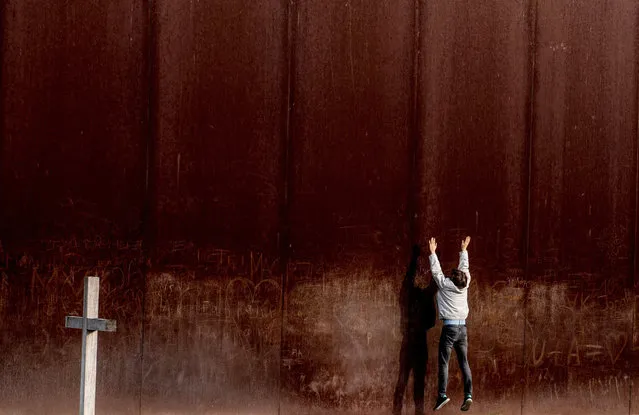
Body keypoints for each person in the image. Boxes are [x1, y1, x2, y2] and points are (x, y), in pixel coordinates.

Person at [428, 236, 473, 412]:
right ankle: (468, 394)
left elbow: (436, 272)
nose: (451, 275)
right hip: (463, 328)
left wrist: (432, 253)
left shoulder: (445, 284)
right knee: (464, 362)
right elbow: (464, 268)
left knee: (444, 362)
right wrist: (463, 251)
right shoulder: (466, 281)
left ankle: (442, 395)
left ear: (452, 280)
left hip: (450, 328)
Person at [393, 244, 438, 415]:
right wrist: (435, 259)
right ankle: (419, 412)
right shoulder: (425, 298)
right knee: (419, 382)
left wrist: (414, 257)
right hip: (419, 344)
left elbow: (408, 278)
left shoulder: (406, 296)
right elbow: (434, 286)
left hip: (408, 344)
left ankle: (396, 411)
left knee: (402, 379)